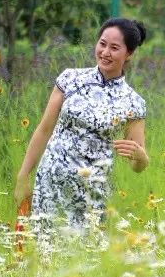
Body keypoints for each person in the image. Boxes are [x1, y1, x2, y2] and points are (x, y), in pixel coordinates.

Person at [14, 18, 149, 242]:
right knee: (44, 257)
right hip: (50, 185)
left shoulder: (133, 102)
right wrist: (23, 176)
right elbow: (43, 130)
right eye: (102, 44)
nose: (105, 52)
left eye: (115, 48)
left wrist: (142, 158)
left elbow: (137, 163)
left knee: (82, 262)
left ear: (129, 53)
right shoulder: (70, 78)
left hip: (90, 197)